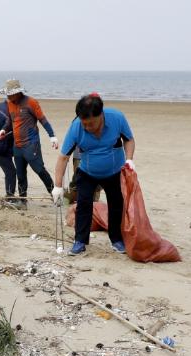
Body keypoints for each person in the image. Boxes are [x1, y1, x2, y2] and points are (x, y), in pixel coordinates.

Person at [52, 93, 135, 256]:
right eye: (85, 124)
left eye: (91, 123)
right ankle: (80, 241)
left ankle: (116, 240)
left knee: (116, 204)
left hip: (114, 171)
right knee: (83, 205)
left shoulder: (117, 118)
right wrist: (57, 186)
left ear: (101, 115)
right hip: (88, 172)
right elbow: (63, 158)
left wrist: (130, 160)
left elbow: (129, 140)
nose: (88, 127)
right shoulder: (76, 127)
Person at [0, 79, 58, 208]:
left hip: (31, 144)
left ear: (17, 93)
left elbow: (43, 120)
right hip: (17, 146)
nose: (7, 96)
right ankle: (23, 200)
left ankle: (55, 194)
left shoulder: (31, 102)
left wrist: (52, 136)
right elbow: (11, 121)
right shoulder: (10, 103)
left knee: (39, 170)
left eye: (10, 94)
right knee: (20, 174)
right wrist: (3, 129)